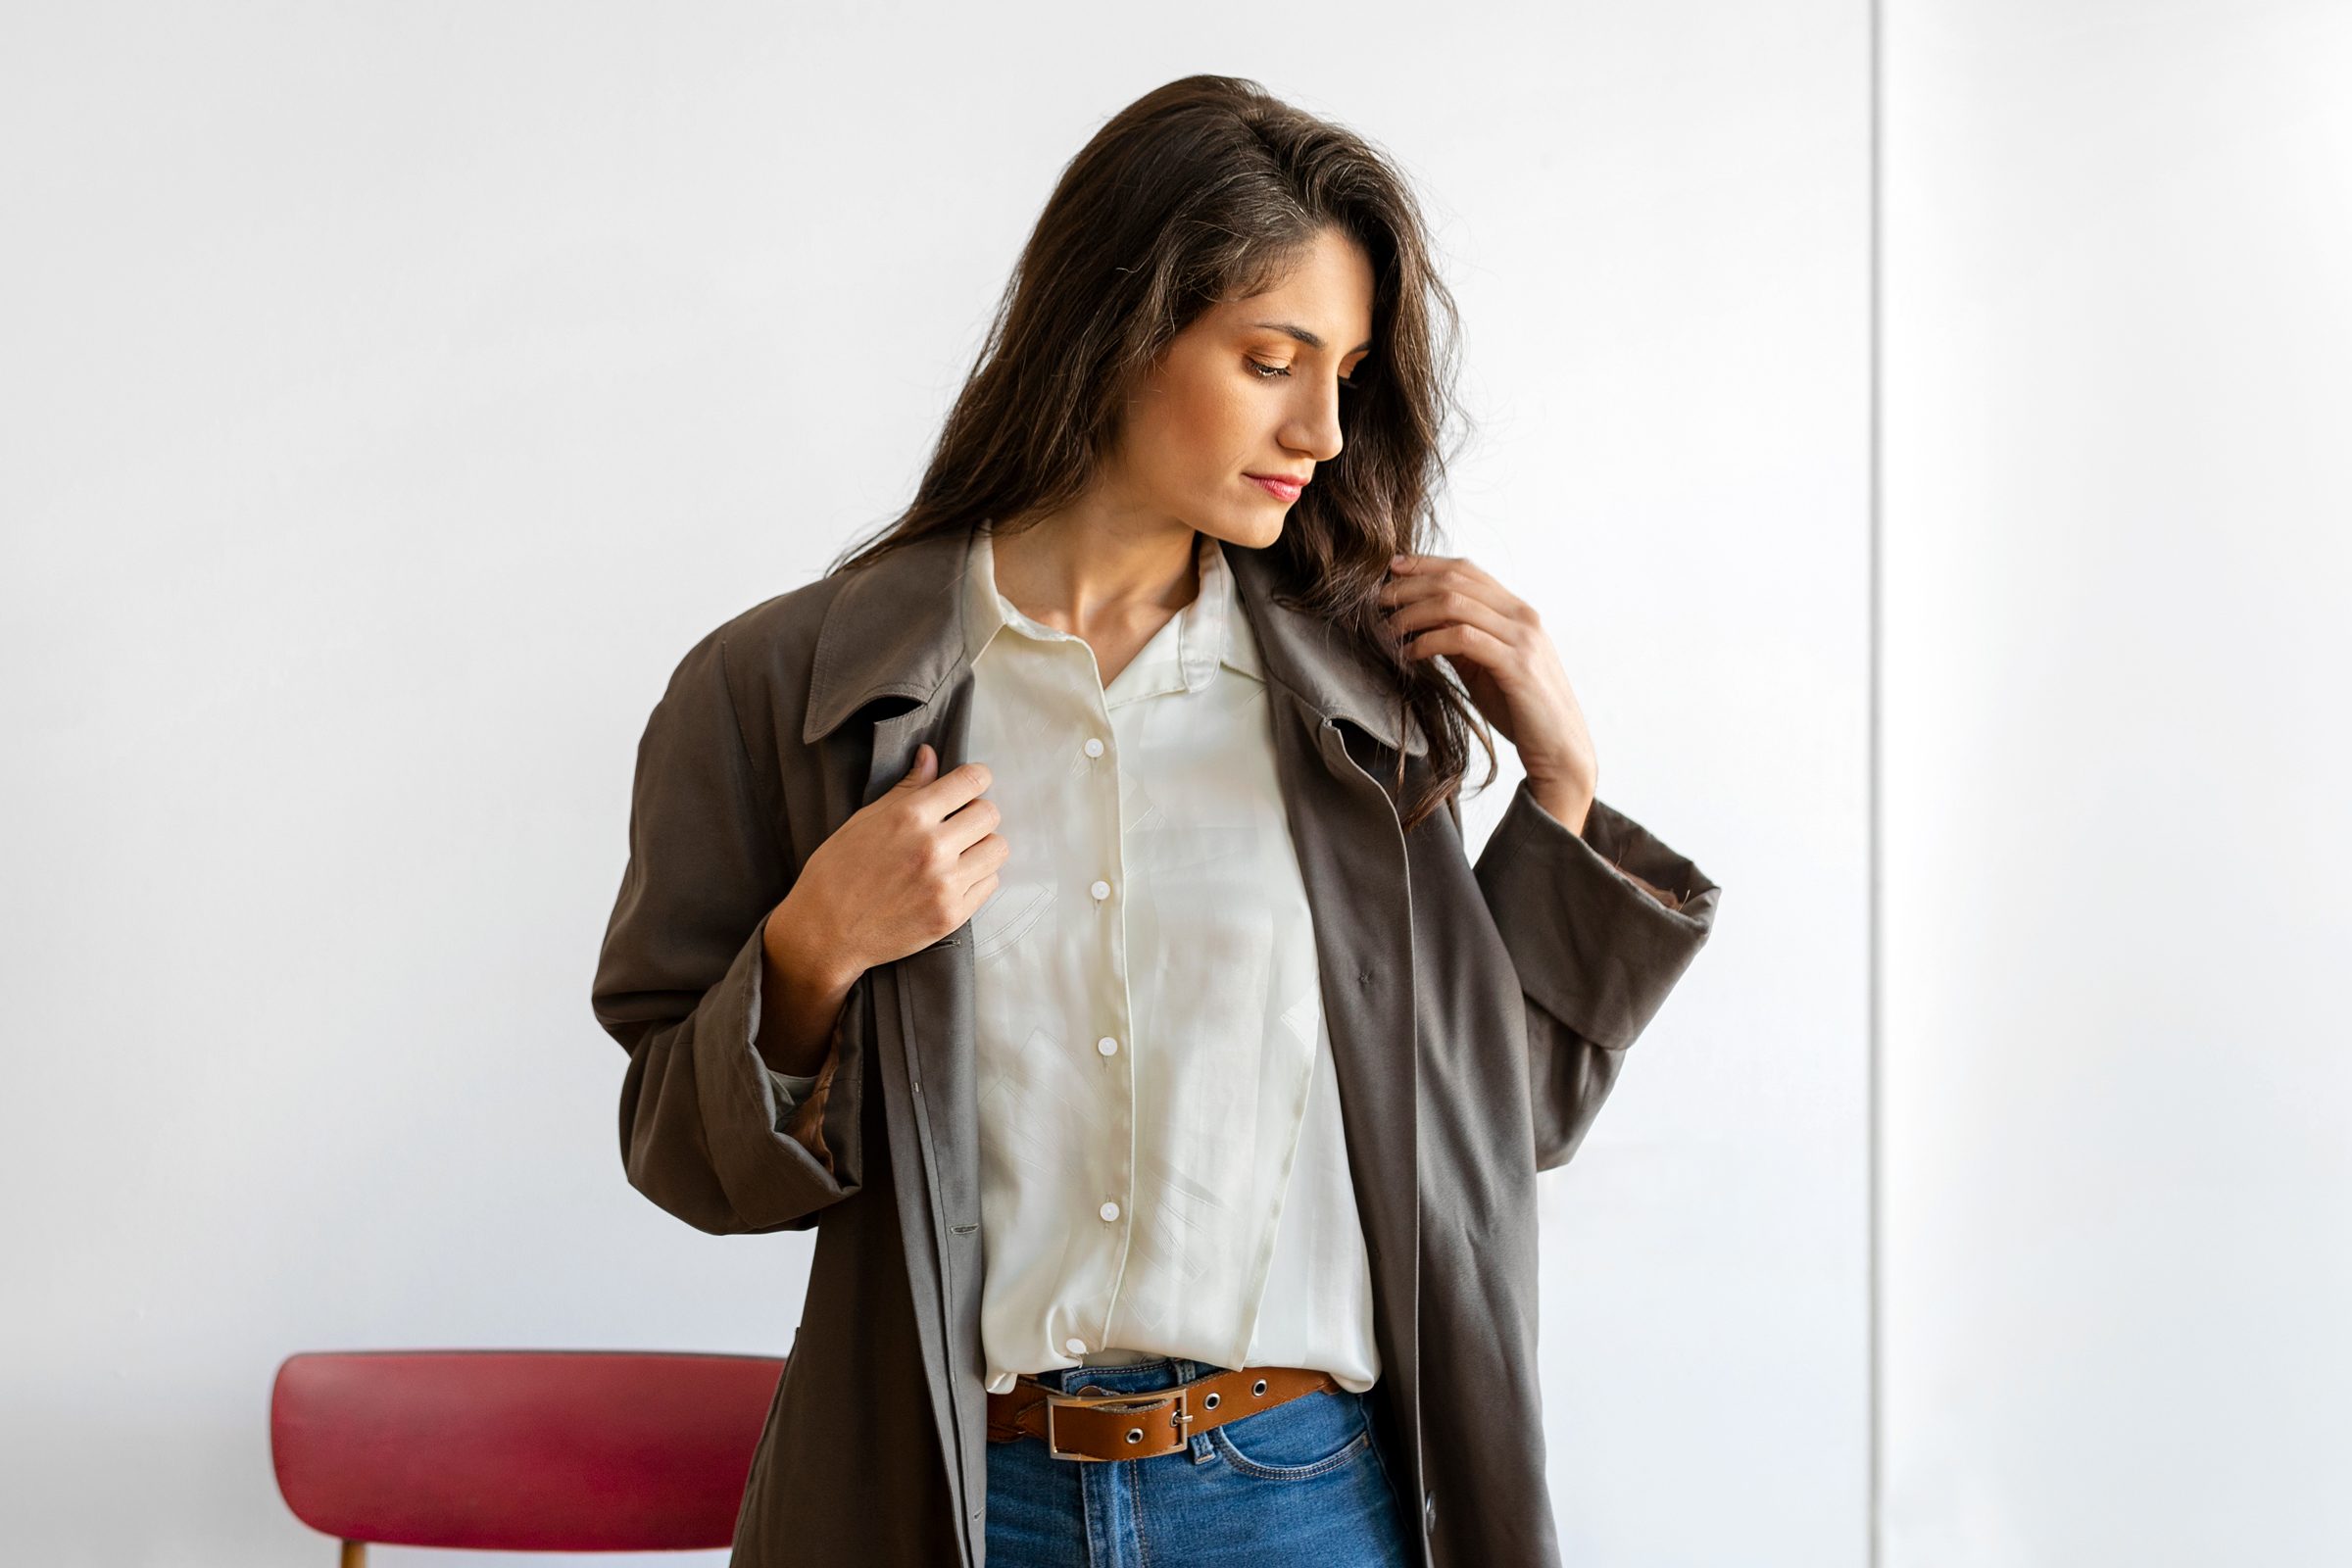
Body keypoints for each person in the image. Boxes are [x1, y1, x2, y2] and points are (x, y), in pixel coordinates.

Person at [591, 74, 1720, 1567]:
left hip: (1304, 1501)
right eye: (1271, 358)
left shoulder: (1367, 711)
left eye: (1349, 371)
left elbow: (1485, 1139)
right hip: (956, 1506)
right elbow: (687, 1162)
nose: (1323, 426)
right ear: (1120, 329)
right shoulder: (785, 691)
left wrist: (1560, 795)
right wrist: (809, 952)